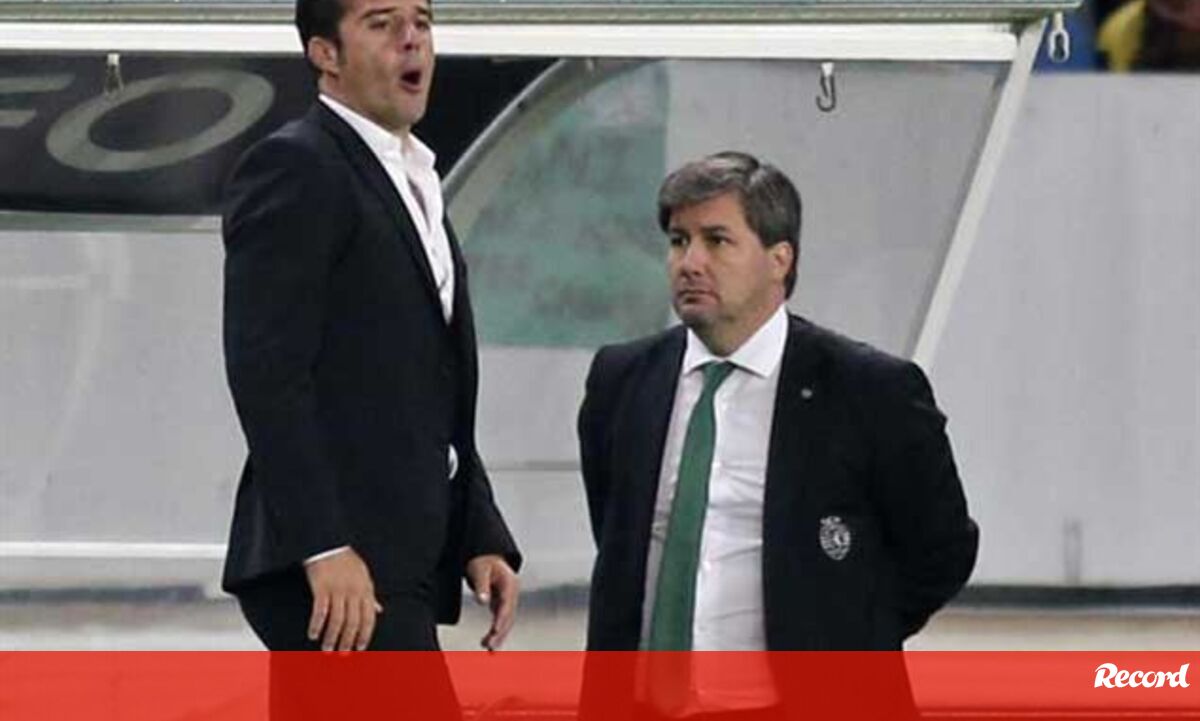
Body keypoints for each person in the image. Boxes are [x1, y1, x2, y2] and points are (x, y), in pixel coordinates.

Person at [577, 152, 978, 719]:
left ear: (778, 259)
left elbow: (941, 549)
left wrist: (846, 634)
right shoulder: (621, 380)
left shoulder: (869, 390)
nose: (690, 262)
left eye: (717, 241)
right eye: (678, 241)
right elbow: (617, 532)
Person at [221, 0, 520, 655]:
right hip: (339, 570)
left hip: (400, 558)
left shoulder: (412, 175)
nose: (411, 40)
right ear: (325, 54)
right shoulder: (298, 165)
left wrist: (478, 530)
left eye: (422, 22)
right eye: (382, 24)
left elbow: (422, 383)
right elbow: (268, 373)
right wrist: (323, 545)